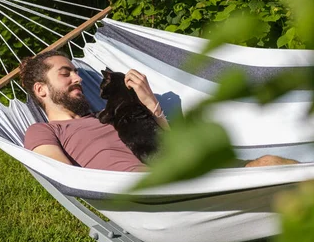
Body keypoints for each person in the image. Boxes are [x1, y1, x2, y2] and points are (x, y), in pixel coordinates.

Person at [21, 50, 297, 171]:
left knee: (269, 161)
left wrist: (149, 102)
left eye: (77, 73)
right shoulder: (43, 131)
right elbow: (66, 175)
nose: (78, 79)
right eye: (65, 74)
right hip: (148, 186)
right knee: (268, 166)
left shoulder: (113, 114)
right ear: (41, 90)